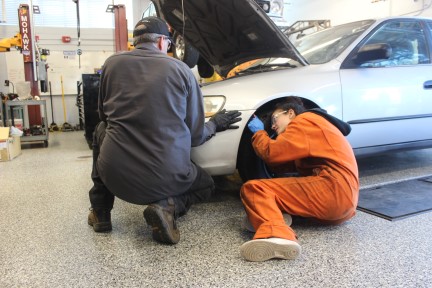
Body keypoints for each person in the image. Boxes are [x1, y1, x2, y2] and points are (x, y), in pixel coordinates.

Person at [87, 16, 241, 245]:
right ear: (162, 42)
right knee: (206, 185)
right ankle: (167, 207)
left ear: (136, 41)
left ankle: (100, 212)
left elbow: (103, 117)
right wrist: (216, 123)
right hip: (167, 179)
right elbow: (196, 136)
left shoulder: (111, 64)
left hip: (115, 178)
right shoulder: (182, 70)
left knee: (100, 129)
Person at [240, 96, 359, 261]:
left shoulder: (304, 121)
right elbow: (286, 167)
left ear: (290, 113)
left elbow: (272, 153)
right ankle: (273, 218)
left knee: (254, 188)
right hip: (342, 206)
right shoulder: (317, 126)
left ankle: (278, 235)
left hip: (333, 191)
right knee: (271, 191)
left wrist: (260, 133)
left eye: (275, 118)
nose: (273, 125)